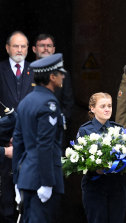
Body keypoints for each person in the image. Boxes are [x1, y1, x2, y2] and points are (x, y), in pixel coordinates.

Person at [12, 53, 66, 223]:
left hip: (27, 178)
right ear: (52, 77)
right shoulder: (49, 103)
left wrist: (16, 181)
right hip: (41, 180)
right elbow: (45, 145)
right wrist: (47, 182)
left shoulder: (26, 101)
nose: (63, 76)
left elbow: (18, 143)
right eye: (60, 73)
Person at [77, 92, 126, 223]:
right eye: (103, 106)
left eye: (109, 106)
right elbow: (80, 159)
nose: (107, 109)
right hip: (95, 185)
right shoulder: (85, 130)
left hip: (116, 185)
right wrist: (96, 168)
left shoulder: (119, 129)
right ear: (92, 108)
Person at [0, 30, 34, 223]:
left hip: (29, 143)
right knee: (6, 196)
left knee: (29, 196)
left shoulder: (37, 71)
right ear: (7, 48)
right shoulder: (0, 70)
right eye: (15, 46)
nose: (19, 49)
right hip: (5, 142)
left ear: (28, 49)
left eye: (23, 46)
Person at [32, 33, 74, 125]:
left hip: (55, 125)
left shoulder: (63, 75)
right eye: (42, 45)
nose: (46, 48)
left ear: (53, 49)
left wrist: (56, 121)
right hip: (30, 124)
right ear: (34, 49)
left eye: (49, 46)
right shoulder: (27, 72)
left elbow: (68, 104)